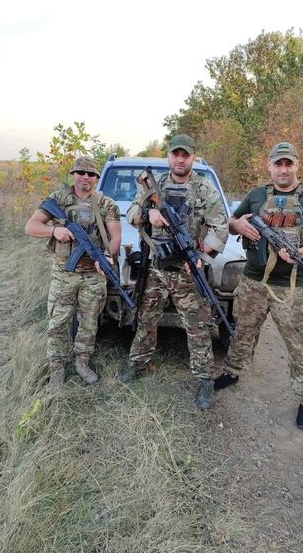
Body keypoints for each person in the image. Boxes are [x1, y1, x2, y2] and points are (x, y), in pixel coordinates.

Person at [214, 142, 303, 429]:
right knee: (242, 331)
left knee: (299, 344)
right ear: (269, 166)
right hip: (253, 280)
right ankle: (232, 371)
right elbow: (231, 222)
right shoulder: (256, 195)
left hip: (293, 287)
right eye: (278, 164)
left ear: (296, 165)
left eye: (288, 164)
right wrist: (239, 226)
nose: (283, 169)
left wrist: (301, 252)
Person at [118, 134, 228, 410]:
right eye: (176, 154)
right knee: (145, 319)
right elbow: (131, 212)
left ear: (193, 158)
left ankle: (205, 379)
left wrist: (202, 256)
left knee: (199, 327)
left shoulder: (205, 189)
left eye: (185, 155)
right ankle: (137, 364)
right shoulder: (155, 185)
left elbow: (220, 228)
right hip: (155, 268)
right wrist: (148, 215)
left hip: (187, 271)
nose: (180, 160)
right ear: (169, 156)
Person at [25, 157, 121, 392]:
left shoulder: (106, 204)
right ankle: (56, 369)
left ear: (97, 178)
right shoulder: (58, 199)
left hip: (93, 275)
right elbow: (31, 226)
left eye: (91, 174)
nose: (85, 177)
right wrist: (54, 230)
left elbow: (116, 236)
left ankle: (82, 363)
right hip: (64, 274)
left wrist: (108, 256)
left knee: (89, 322)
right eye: (81, 172)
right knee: (58, 322)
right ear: (73, 174)